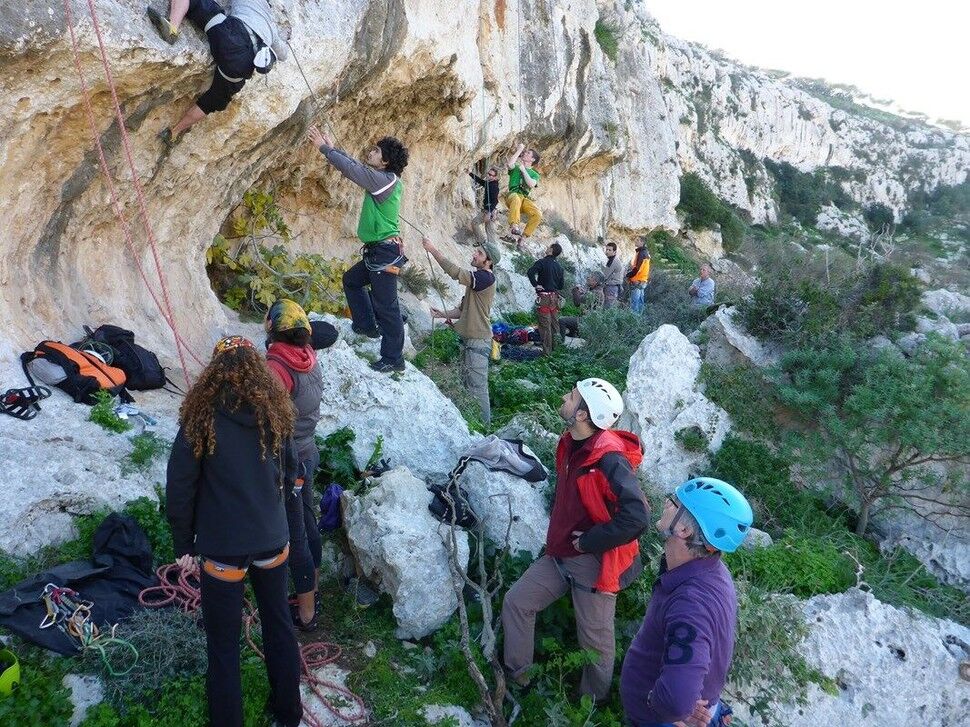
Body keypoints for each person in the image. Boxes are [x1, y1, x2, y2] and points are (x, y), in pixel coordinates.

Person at [166, 335, 302, 727]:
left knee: (223, 646)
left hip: (223, 546)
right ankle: (288, 714)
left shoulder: (201, 416)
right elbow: (290, 471)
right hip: (272, 540)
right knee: (279, 627)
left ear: (214, 373)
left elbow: (181, 485)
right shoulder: (275, 411)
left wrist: (183, 542)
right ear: (257, 370)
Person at [502, 379, 650, 703]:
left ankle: (588, 707)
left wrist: (590, 542)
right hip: (560, 552)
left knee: (595, 646)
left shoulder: (609, 459)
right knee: (517, 603)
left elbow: (638, 517)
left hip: (593, 563)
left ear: (583, 414)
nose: (563, 397)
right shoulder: (569, 441)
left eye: (571, 397)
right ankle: (519, 681)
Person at [620, 478, 754, 727]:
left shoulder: (691, 603)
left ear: (683, 530)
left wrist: (658, 705)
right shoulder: (712, 571)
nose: (666, 503)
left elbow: (676, 702)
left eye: (673, 502)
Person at [306, 126, 410, 373]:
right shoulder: (383, 179)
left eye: (376, 151)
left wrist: (323, 148)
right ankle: (366, 325)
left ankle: (394, 358)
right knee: (351, 280)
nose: (371, 152)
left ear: (385, 161)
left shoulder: (385, 181)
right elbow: (357, 167)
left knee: (387, 306)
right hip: (379, 251)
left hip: (384, 253)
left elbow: (353, 170)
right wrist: (331, 148)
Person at [148, 0, 289, 143]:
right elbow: (284, 55)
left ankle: (172, 28)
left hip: (231, 36)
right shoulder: (272, 28)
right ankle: (173, 132)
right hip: (241, 67)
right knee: (212, 101)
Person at [263, 299, 323, 631]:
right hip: (308, 449)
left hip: (289, 461)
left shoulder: (277, 368)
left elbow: (267, 419)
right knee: (310, 521)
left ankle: (306, 614)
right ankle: (313, 589)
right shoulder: (308, 358)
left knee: (295, 532)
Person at [422, 239, 498, 427]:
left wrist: (433, 249)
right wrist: (442, 314)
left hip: (477, 342)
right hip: (473, 342)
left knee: (478, 389)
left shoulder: (485, 277)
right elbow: (462, 310)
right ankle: (473, 425)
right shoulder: (479, 281)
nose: (474, 254)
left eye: (479, 253)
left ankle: (483, 429)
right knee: (469, 386)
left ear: (488, 261)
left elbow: (455, 273)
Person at [527, 242, 565, 355]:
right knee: (554, 324)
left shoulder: (542, 262)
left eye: (548, 247)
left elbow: (530, 272)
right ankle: (556, 350)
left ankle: (546, 354)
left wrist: (536, 284)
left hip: (544, 298)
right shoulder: (559, 267)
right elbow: (561, 286)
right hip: (554, 298)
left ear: (551, 250)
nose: (547, 248)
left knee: (545, 325)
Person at [503, 143, 542, 247]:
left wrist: (524, 170)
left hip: (524, 198)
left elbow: (531, 184)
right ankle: (514, 226)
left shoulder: (535, 174)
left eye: (528, 153)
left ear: (532, 159)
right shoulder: (516, 167)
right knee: (516, 198)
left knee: (538, 214)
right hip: (513, 194)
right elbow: (510, 164)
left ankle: (523, 238)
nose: (525, 153)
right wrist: (519, 150)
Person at [561, 272, 604, 338]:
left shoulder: (596, 293)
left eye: (591, 277)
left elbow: (577, 303)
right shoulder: (595, 290)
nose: (588, 278)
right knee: (571, 322)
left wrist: (575, 290)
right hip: (587, 319)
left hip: (587, 321)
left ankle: (561, 343)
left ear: (595, 282)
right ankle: (573, 337)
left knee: (562, 321)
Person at [469, 166, 500, 244]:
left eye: (491, 175)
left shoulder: (494, 186)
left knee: (474, 223)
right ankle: (492, 249)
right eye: (488, 174)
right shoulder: (489, 183)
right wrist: (469, 173)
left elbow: (495, 201)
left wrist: (489, 213)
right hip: (490, 210)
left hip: (488, 211)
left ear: (495, 177)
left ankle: (482, 242)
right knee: (490, 231)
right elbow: (480, 181)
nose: (488, 176)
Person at [627, 238, 651, 314]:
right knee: (640, 302)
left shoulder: (641, 253)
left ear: (642, 242)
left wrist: (628, 275)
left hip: (637, 280)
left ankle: (634, 320)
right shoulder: (646, 252)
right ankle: (640, 321)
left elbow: (637, 268)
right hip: (643, 280)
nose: (635, 241)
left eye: (637, 240)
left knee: (635, 303)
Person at [602, 241, 625, 309]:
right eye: (607, 249)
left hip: (611, 287)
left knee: (608, 308)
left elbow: (605, 275)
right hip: (613, 287)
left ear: (614, 252)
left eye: (610, 250)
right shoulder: (613, 259)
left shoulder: (613, 261)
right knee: (609, 307)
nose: (607, 251)